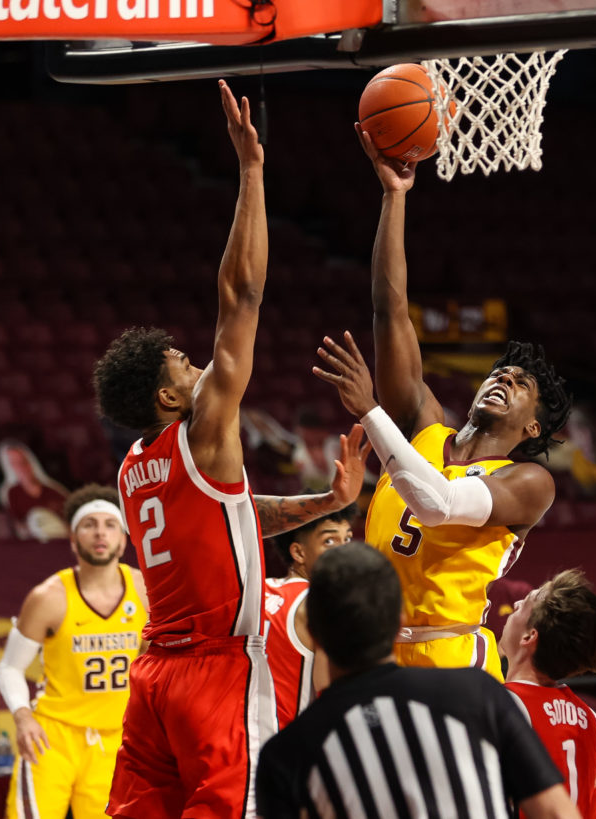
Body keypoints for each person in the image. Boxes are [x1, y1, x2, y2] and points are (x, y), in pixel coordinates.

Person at [91, 81, 369, 819]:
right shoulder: (204, 429)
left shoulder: (133, 470)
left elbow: (235, 514)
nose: (196, 363)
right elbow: (241, 297)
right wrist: (252, 170)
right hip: (217, 665)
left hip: (153, 674)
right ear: (168, 399)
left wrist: (325, 503)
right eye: (182, 364)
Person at [313, 319, 569, 680]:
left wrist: (370, 411)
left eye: (521, 383)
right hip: (372, 645)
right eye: (499, 374)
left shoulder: (530, 481)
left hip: (451, 654)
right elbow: (391, 310)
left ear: (533, 427)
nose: (504, 380)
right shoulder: (424, 429)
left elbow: (438, 505)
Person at [255, 542, 581, 819]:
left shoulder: (286, 755)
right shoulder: (478, 693)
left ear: (312, 632)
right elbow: (556, 813)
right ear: (400, 623)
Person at [0, 484, 148, 819]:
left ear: (123, 540)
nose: (100, 533)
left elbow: (156, 667)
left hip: (116, 740)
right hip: (52, 737)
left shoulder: (144, 590)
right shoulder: (48, 597)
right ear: (73, 540)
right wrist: (22, 718)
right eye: (89, 525)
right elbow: (9, 668)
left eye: (109, 524)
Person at [500, 570, 596, 819]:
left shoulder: (503, 706)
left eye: (524, 605)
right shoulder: (592, 720)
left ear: (530, 637)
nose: (516, 604)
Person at [264, 503, 357, 728]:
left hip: (241, 739)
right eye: (329, 541)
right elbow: (335, 699)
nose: (344, 551)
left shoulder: (259, 589)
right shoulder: (321, 603)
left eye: (347, 539)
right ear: (298, 552)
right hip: (292, 746)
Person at [0, 439, 69, 541]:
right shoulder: (11, 493)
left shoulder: (54, 489)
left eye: (23, 461)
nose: (21, 467)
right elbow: (17, 527)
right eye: (14, 463)